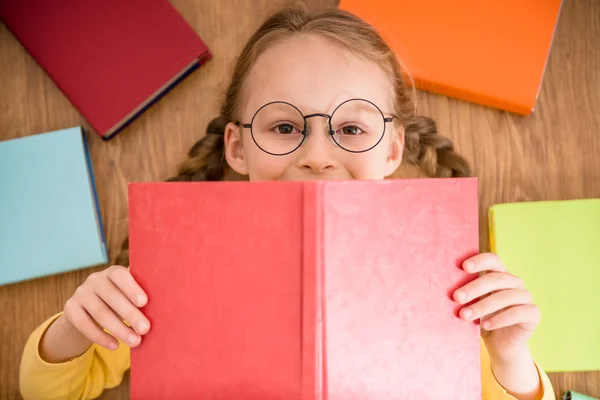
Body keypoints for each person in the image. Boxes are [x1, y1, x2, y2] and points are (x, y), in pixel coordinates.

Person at [19, 7, 555, 400]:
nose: (317, 155)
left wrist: (510, 355)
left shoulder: (446, 279)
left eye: (349, 127)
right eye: (284, 127)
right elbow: (51, 392)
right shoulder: (178, 270)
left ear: (393, 150)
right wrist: (72, 328)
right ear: (237, 147)